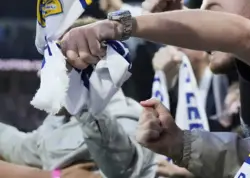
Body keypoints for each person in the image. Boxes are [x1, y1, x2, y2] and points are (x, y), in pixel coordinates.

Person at [0, 20, 156, 178]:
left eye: (53, 61)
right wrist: (54, 176)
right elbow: (21, 148)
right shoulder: (59, 120)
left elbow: (121, 168)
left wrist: (82, 97)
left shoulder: (130, 116)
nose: (43, 74)